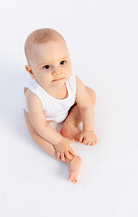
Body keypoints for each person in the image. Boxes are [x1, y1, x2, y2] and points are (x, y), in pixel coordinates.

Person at [22, 28, 97, 184]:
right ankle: (70, 160)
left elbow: (86, 107)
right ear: (32, 72)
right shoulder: (34, 96)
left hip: (64, 108)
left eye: (62, 62)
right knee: (37, 135)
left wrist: (89, 130)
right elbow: (41, 126)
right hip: (43, 118)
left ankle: (70, 124)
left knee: (89, 94)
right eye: (47, 67)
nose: (58, 72)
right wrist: (59, 142)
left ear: (69, 58)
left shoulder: (73, 81)